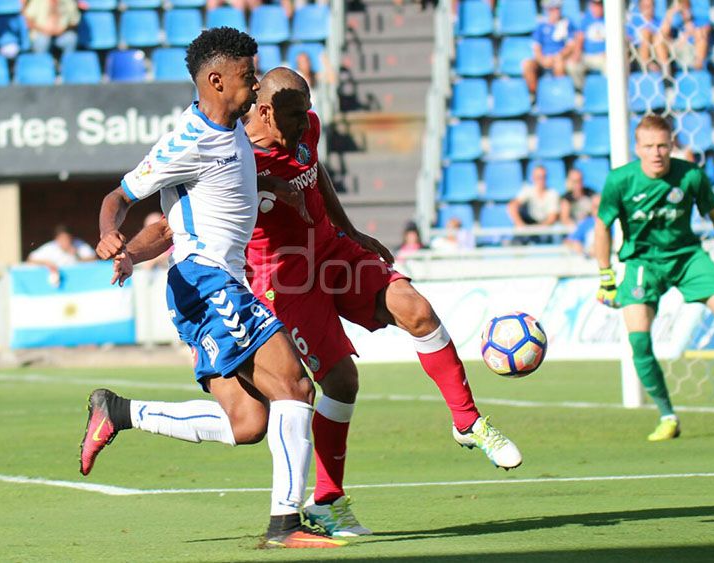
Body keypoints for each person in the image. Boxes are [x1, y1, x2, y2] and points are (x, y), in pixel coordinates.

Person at [114, 66, 522, 539]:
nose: (305, 122)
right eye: (293, 115)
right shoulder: (233, 153)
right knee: (341, 382)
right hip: (283, 279)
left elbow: (315, 171)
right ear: (264, 112)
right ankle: (327, 500)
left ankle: (467, 421)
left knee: (418, 311)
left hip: (330, 250)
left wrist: (349, 230)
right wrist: (127, 252)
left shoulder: (306, 125)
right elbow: (170, 227)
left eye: (308, 111)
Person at [78, 28, 345, 550]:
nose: (255, 85)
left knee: (247, 422)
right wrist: (111, 235)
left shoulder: (233, 129)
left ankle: (118, 412)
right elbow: (120, 194)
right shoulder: (188, 141)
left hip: (201, 283)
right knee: (295, 387)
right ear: (217, 81)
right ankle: (286, 525)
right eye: (249, 77)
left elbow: (181, 222)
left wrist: (275, 186)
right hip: (207, 280)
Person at [593, 114, 714, 441]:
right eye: (649, 146)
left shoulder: (691, 176)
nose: (657, 153)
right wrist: (606, 276)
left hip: (687, 257)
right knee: (638, 340)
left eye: (663, 146)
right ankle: (667, 416)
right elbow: (601, 226)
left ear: (672, 146)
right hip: (642, 263)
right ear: (637, 148)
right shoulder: (619, 181)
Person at [521, 0, 576, 97]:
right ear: (548, 10)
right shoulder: (541, 25)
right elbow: (536, 47)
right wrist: (542, 60)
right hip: (543, 58)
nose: (556, 11)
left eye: (558, 8)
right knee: (527, 64)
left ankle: (560, 94)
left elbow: (570, 46)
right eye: (553, 9)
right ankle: (535, 95)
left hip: (559, 57)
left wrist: (558, 56)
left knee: (559, 64)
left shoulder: (567, 23)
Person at [26, 225, 96, 285]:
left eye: (67, 239)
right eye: (62, 239)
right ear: (56, 239)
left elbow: (94, 258)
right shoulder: (50, 247)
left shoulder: (78, 245)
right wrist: (46, 263)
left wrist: (77, 255)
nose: (65, 242)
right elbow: (30, 259)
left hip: (79, 281)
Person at [508, 164, 560, 243]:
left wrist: (539, 229)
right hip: (529, 227)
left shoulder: (552, 193)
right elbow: (512, 206)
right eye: (538, 177)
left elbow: (552, 217)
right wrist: (520, 225)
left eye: (543, 177)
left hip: (545, 230)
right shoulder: (527, 190)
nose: (541, 180)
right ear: (533, 178)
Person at [657, 0, 710, 75]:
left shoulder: (699, 22)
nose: (684, 11)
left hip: (692, 52)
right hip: (677, 51)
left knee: (701, 35)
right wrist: (671, 12)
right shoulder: (677, 26)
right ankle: (666, 75)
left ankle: (698, 70)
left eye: (686, 8)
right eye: (682, 9)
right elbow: (662, 34)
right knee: (659, 39)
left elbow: (706, 30)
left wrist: (689, 33)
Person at [566, 0, 607, 91]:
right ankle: (582, 91)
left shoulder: (610, 19)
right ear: (590, 5)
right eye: (595, 4)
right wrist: (577, 53)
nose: (597, 7)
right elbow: (580, 37)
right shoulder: (585, 20)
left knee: (612, 65)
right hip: (587, 56)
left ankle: (607, 92)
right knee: (572, 65)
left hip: (604, 56)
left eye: (600, 4)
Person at [559, 168, 596, 232]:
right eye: (575, 181)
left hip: (590, 229)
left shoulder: (591, 194)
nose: (578, 184)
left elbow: (597, 214)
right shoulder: (566, 198)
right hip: (573, 231)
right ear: (570, 182)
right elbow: (565, 218)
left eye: (580, 180)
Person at [627, 0, 661, 72]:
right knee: (646, 33)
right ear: (640, 7)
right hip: (636, 53)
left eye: (651, 6)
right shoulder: (633, 23)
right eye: (646, 6)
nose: (649, 9)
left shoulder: (658, 22)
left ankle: (665, 70)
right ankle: (645, 64)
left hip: (655, 52)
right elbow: (628, 37)